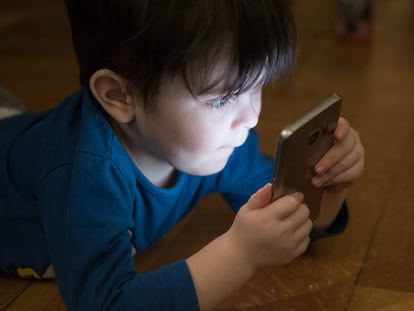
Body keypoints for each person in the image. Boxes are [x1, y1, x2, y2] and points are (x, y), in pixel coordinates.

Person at [0, 0, 365, 310]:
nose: (251, 117)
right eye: (223, 98)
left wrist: (328, 183)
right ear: (119, 96)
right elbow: (108, 303)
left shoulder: (217, 144)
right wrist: (239, 254)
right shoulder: (84, 177)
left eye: (257, 85)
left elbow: (288, 220)